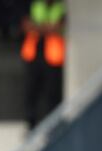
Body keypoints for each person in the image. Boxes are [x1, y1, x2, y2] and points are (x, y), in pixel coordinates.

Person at [20, 0, 66, 129]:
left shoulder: (60, 7)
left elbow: (59, 28)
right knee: (31, 92)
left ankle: (54, 126)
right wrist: (47, 28)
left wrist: (38, 27)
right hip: (35, 55)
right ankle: (31, 125)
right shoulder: (34, 4)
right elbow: (26, 25)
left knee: (53, 94)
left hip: (53, 57)